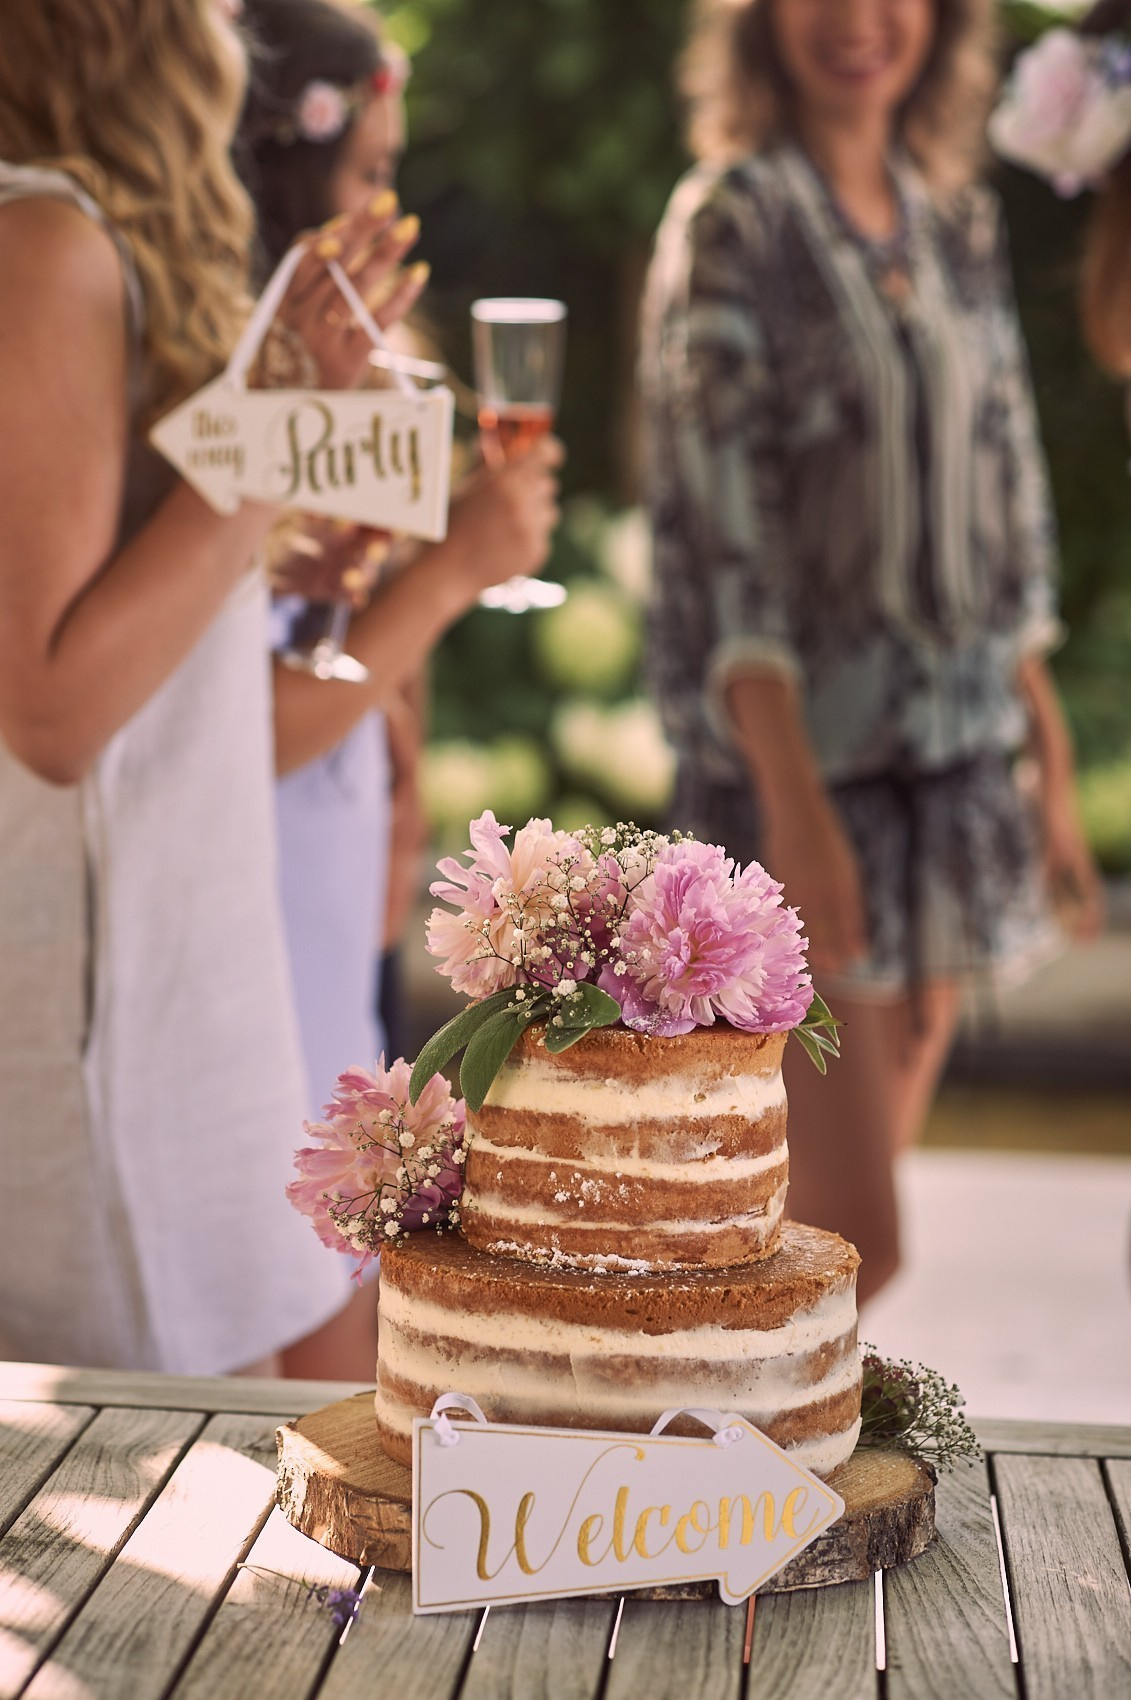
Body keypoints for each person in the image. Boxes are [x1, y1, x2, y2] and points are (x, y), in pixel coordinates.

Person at [641, 0, 1103, 1302]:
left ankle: (749, 1494)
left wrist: (1047, 755)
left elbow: (1010, 494)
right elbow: (714, 529)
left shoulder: (955, 217)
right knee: (839, 1245)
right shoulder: (731, 220)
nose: (859, 21)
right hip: (805, 790)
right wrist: (791, 800)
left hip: (956, 785)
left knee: (828, 1245)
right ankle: (702, 1485)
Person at [0, 0, 429, 1375]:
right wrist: (278, 410)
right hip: (111, 1040)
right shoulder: (42, 241)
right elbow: (52, 711)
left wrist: (288, 483)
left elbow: (134, 572)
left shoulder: (63, 233)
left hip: (179, 988)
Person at [235, 0, 563, 1374]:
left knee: (355, 1297)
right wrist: (453, 572)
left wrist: (404, 788)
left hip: (327, 860)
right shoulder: (229, 391)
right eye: (368, 171)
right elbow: (243, 720)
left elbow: (348, 637)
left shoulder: (343, 380)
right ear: (285, 172)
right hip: (252, 879)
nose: (388, 203)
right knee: (304, 1324)